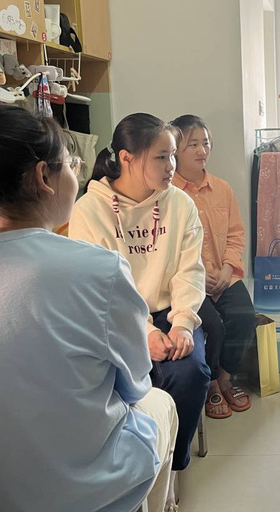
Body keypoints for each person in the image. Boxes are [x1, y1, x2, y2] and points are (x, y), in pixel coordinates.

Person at [0, 106, 177, 512]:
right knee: (159, 406)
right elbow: (134, 384)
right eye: (71, 164)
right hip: (81, 498)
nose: (77, 175)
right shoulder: (99, 269)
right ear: (43, 177)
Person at [69, 113, 210, 507]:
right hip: (116, 318)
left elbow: (189, 271)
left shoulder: (180, 204)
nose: (171, 166)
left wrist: (183, 324)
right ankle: (132, 471)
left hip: (171, 312)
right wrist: (144, 331)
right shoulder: (90, 210)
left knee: (191, 374)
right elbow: (101, 288)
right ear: (127, 158)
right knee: (122, 385)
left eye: (172, 156)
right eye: (161, 157)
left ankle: (171, 467)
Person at [171, 115, 256, 419]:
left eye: (205, 143)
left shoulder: (222, 188)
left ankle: (225, 379)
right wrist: (199, 275)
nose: (201, 150)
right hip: (190, 281)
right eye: (192, 144)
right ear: (175, 150)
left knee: (245, 317)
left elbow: (236, 233)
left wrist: (228, 268)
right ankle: (209, 386)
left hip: (224, 274)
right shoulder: (168, 194)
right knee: (213, 327)